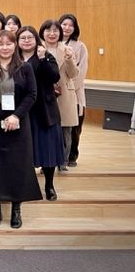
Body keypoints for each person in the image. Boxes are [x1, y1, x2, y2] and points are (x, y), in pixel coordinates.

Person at [0, 30, 41, 229]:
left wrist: (16, 116)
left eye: (9, 44)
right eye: (1, 44)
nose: (5, 48)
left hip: (18, 120)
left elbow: (32, 94)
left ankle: (16, 209)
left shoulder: (25, 68)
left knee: (17, 165)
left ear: (15, 46)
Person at [18, 26, 64, 201]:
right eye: (22, 38)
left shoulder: (45, 55)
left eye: (30, 37)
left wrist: (43, 59)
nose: (26, 41)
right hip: (23, 109)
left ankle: (49, 185)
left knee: (48, 149)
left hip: (44, 109)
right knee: (25, 149)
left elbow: (54, 77)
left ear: (36, 39)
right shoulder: (14, 57)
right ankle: (27, 185)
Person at [39, 19, 79, 171]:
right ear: (42, 32)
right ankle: (46, 163)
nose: (52, 33)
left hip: (64, 94)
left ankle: (63, 162)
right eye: (48, 30)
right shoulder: (38, 48)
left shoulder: (67, 49)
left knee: (65, 130)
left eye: (55, 30)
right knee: (45, 129)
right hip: (44, 93)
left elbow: (73, 74)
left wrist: (69, 59)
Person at [59, 13, 88, 167]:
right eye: (64, 24)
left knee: (74, 127)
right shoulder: (52, 44)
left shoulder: (80, 46)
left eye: (71, 25)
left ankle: (72, 156)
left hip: (73, 92)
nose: (67, 27)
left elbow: (80, 72)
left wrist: (66, 88)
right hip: (55, 94)